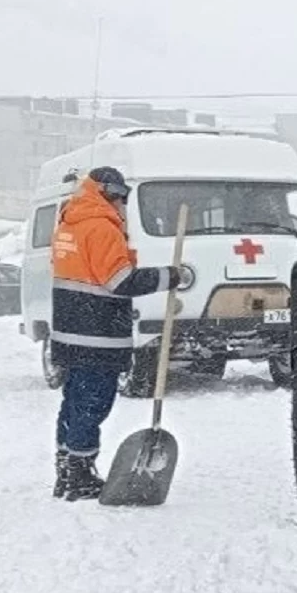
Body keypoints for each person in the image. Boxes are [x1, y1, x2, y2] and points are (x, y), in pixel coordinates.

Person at [50, 167, 187, 501]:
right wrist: (169, 276)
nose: (124, 205)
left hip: (70, 332)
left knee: (74, 403)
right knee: (92, 404)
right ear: (109, 194)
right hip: (97, 333)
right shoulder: (101, 227)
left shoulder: (70, 224)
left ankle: (67, 469)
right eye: (122, 197)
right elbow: (120, 281)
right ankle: (79, 474)